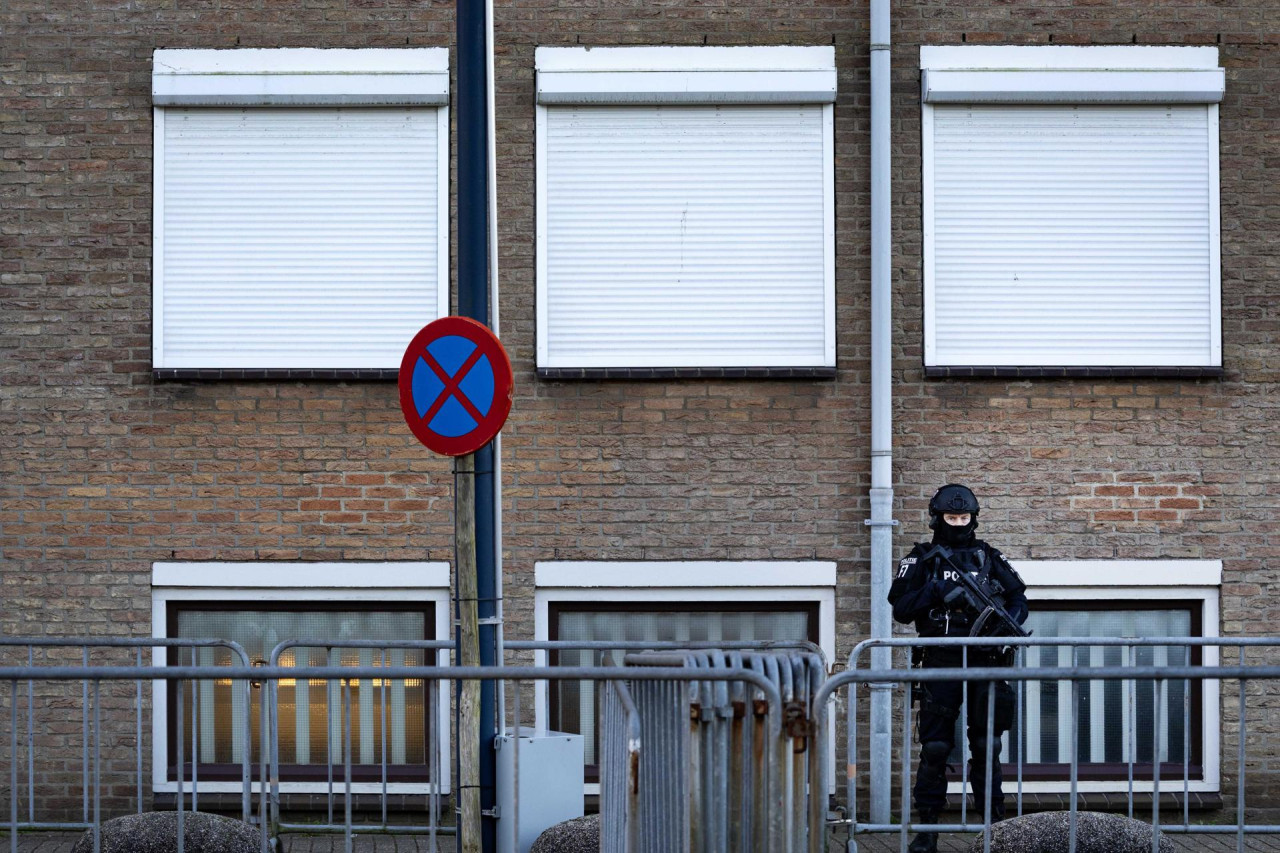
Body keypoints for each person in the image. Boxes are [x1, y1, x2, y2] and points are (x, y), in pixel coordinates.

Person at [887, 484, 1029, 853]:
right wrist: (933, 592)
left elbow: (1018, 596)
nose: (958, 524)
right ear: (938, 518)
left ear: (973, 519)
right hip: (942, 659)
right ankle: (927, 829)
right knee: (935, 747)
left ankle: (994, 830)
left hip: (987, 659)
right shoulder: (921, 558)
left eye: (963, 518)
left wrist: (1007, 622)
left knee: (986, 744)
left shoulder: (987, 556)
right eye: (951, 518)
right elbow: (901, 608)